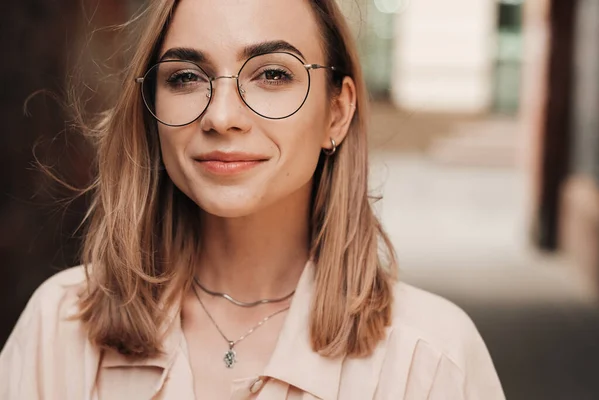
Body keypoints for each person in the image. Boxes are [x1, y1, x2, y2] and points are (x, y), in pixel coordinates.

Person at [0, 0, 505, 398]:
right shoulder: (58, 329)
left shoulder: (432, 357)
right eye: (186, 77)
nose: (221, 116)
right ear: (152, 109)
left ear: (338, 111)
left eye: (272, 74)